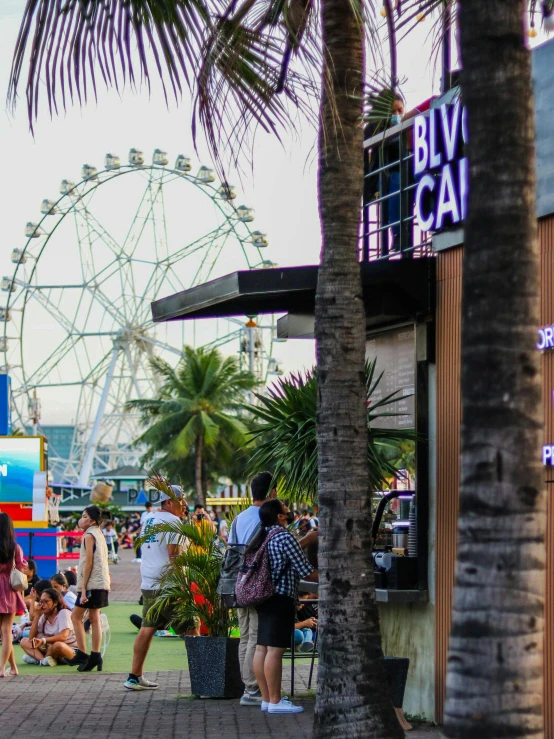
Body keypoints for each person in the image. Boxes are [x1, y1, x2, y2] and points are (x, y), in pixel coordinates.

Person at [250, 498, 318, 714]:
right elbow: (305, 570)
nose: (289, 509)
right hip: (281, 597)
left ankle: (267, 699)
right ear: (280, 516)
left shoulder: (264, 535)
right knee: (276, 650)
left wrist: (306, 540)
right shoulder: (284, 536)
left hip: (264, 597)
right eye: (285, 508)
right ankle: (276, 701)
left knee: (262, 648)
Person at [124, 485, 188, 691]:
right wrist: (183, 583)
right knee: (192, 629)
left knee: (147, 628)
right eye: (181, 499)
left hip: (149, 581)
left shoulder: (148, 519)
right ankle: (206, 675)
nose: (184, 503)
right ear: (168, 502)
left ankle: (134, 676)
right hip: (169, 583)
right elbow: (173, 555)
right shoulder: (173, 521)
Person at [228, 471, 276, 706]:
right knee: (256, 638)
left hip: (240, 583)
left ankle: (249, 686)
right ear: (272, 492)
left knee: (245, 636)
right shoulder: (266, 518)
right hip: (258, 585)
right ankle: (253, 689)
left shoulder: (239, 518)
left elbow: (232, 552)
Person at [66, 505, 110, 672]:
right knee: (94, 618)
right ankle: (95, 656)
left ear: (91, 520)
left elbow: (89, 563)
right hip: (101, 583)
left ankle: (83, 653)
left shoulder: (89, 535)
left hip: (92, 584)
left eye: (84, 516)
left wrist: (83, 588)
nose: (81, 519)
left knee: (76, 616)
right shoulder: (99, 534)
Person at [0, 512, 27, 677]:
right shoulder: (15, 547)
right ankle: (8, 668)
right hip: (10, 590)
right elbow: (22, 569)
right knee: (7, 630)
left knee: (3, 632)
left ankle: (3, 668)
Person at [20, 588, 77, 666]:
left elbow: (63, 636)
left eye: (46, 602)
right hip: (48, 648)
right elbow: (31, 638)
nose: (42, 605)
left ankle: (38, 659)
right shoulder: (43, 616)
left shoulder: (64, 613)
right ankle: (44, 660)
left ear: (55, 603)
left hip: (67, 649)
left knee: (57, 645)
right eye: (41, 602)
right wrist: (37, 615)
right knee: (24, 641)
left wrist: (43, 640)